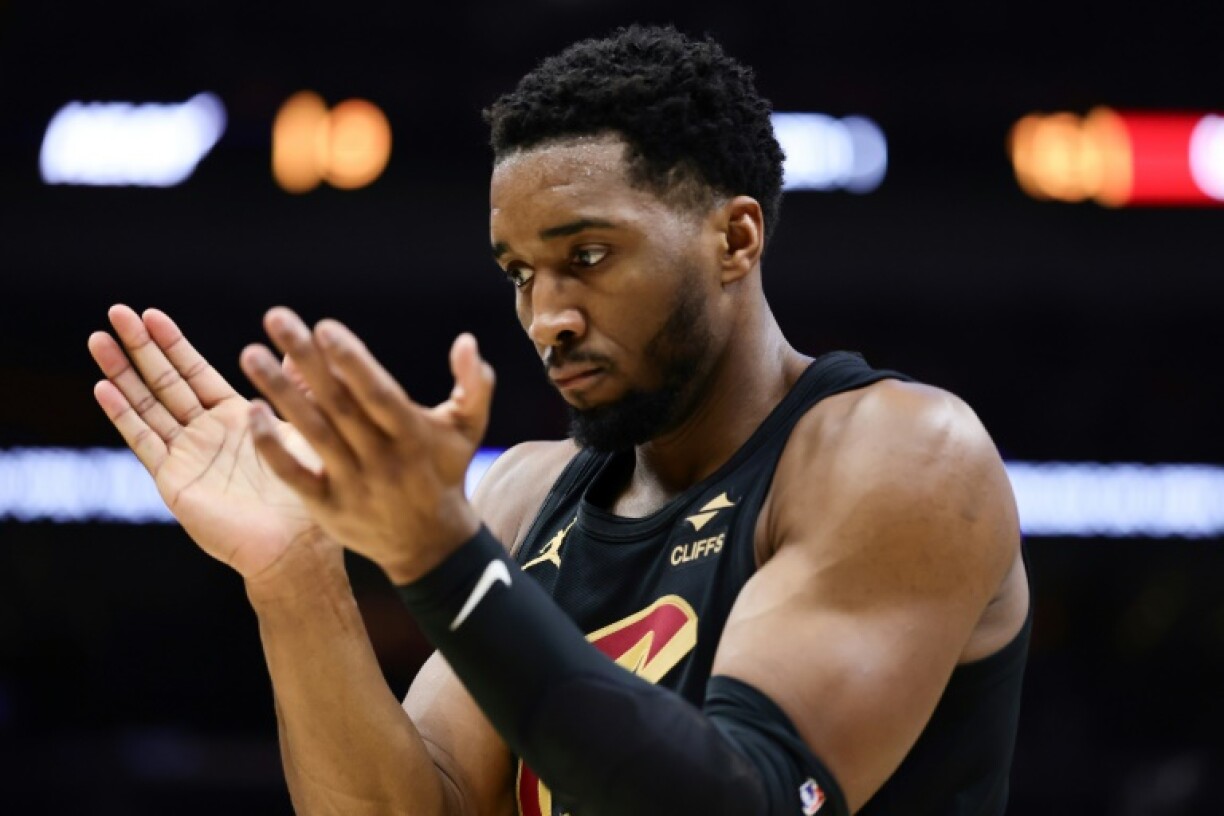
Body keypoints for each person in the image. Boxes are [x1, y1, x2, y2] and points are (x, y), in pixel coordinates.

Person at [87, 25, 1029, 816]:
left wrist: (447, 565)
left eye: (588, 253)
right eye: (521, 274)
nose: (547, 318)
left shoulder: (902, 456)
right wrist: (296, 581)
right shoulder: (528, 491)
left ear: (735, 239)